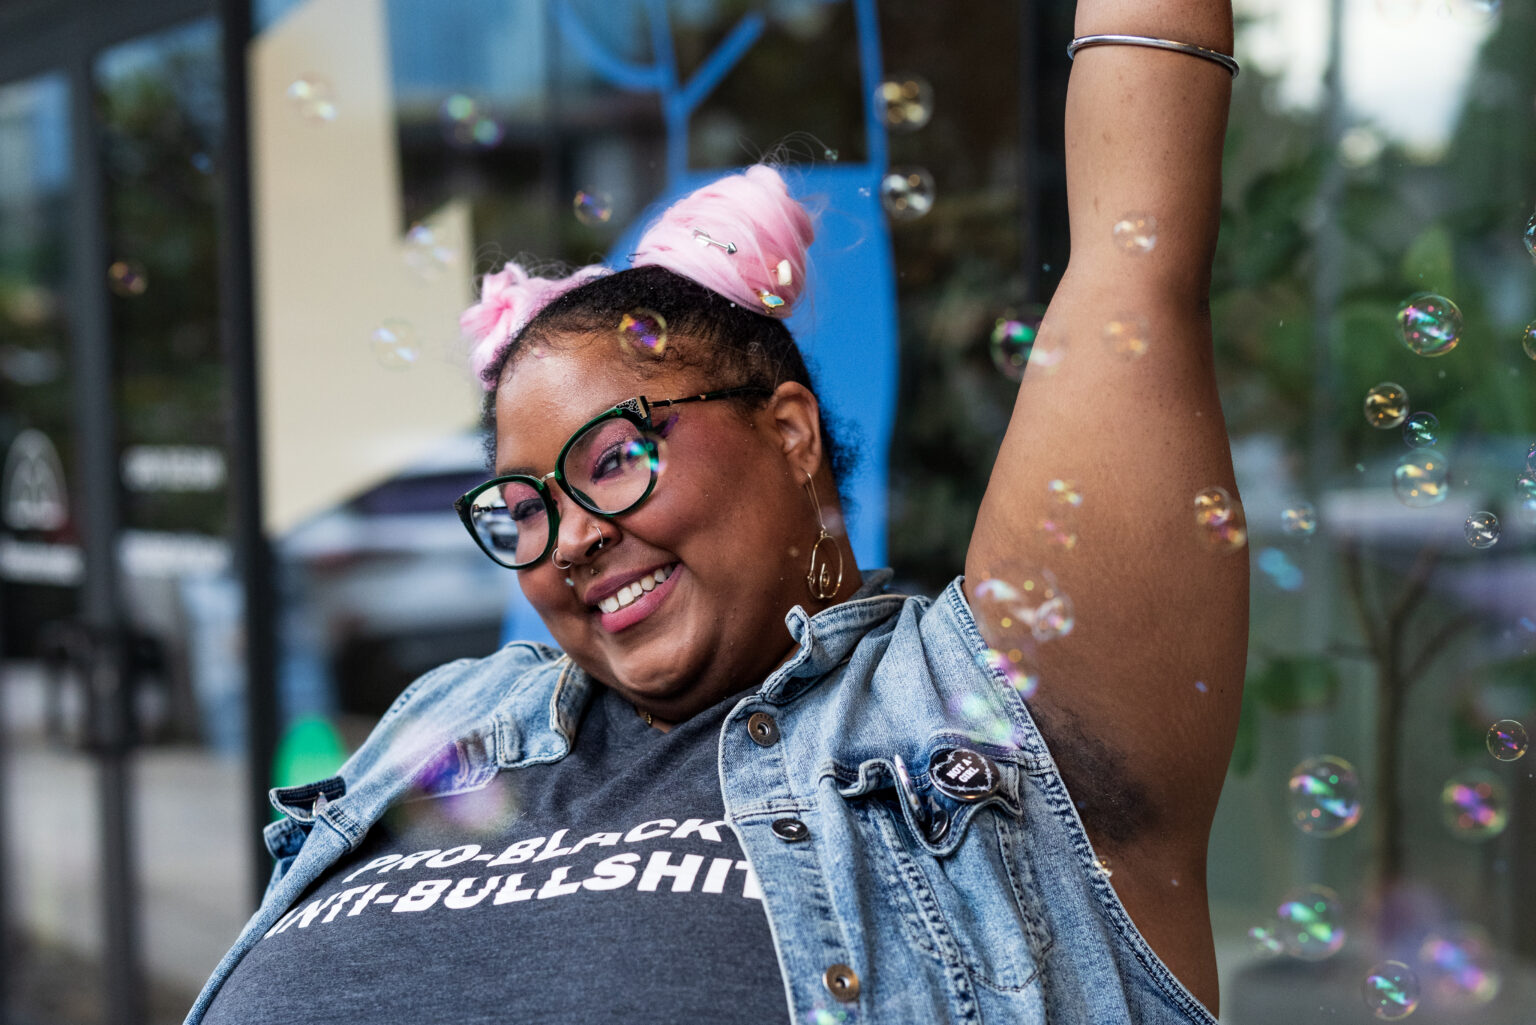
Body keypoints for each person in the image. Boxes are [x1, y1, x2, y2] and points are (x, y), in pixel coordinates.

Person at [188, 2, 1246, 1022]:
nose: (573, 536)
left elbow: (1135, 265)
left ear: (788, 432)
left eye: (614, 458)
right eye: (524, 507)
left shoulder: (987, 711)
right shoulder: (455, 715)